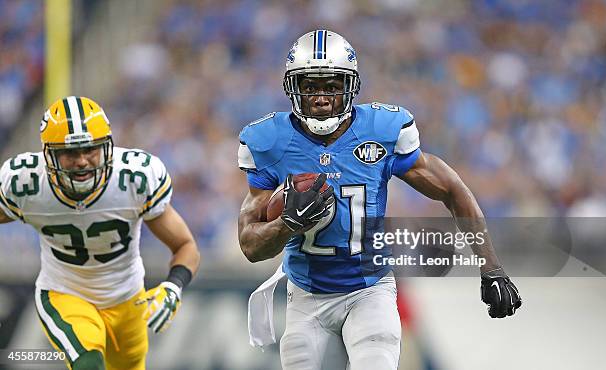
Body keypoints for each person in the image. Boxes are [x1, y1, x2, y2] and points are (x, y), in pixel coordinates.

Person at [237, 30, 522, 370]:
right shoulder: (269, 141)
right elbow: (251, 247)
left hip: (369, 290)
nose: (322, 97)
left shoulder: (383, 129)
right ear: (293, 89)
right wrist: (287, 224)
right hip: (305, 295)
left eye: (332, 85)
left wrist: (491, 269)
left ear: (351, 87)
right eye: (311, 85)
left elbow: (452, 189)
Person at [0, 96, 201, 370]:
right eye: (71, 153)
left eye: (91, 149)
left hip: (128, 297)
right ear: (49, 155)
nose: (82, 161)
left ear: (107, 147)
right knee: (88, 363)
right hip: (64, 292)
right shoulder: (26, 184)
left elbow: (185, 245)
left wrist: (173, 286)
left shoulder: (134, 178)